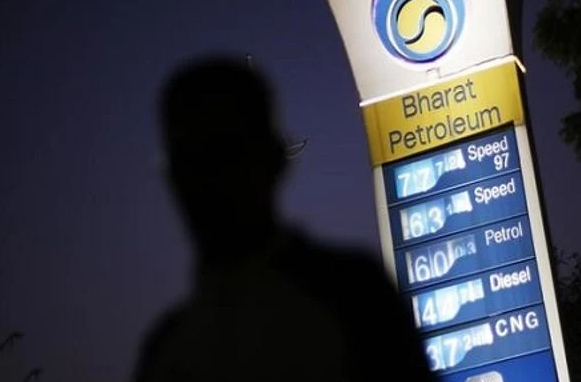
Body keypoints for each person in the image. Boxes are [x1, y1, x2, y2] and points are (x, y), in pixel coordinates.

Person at [132, 54, 437, 382]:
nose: (206, 182)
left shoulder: (354, 298)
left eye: (224, 152)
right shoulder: (166, 352)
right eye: (189, 159)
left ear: (271, 158)